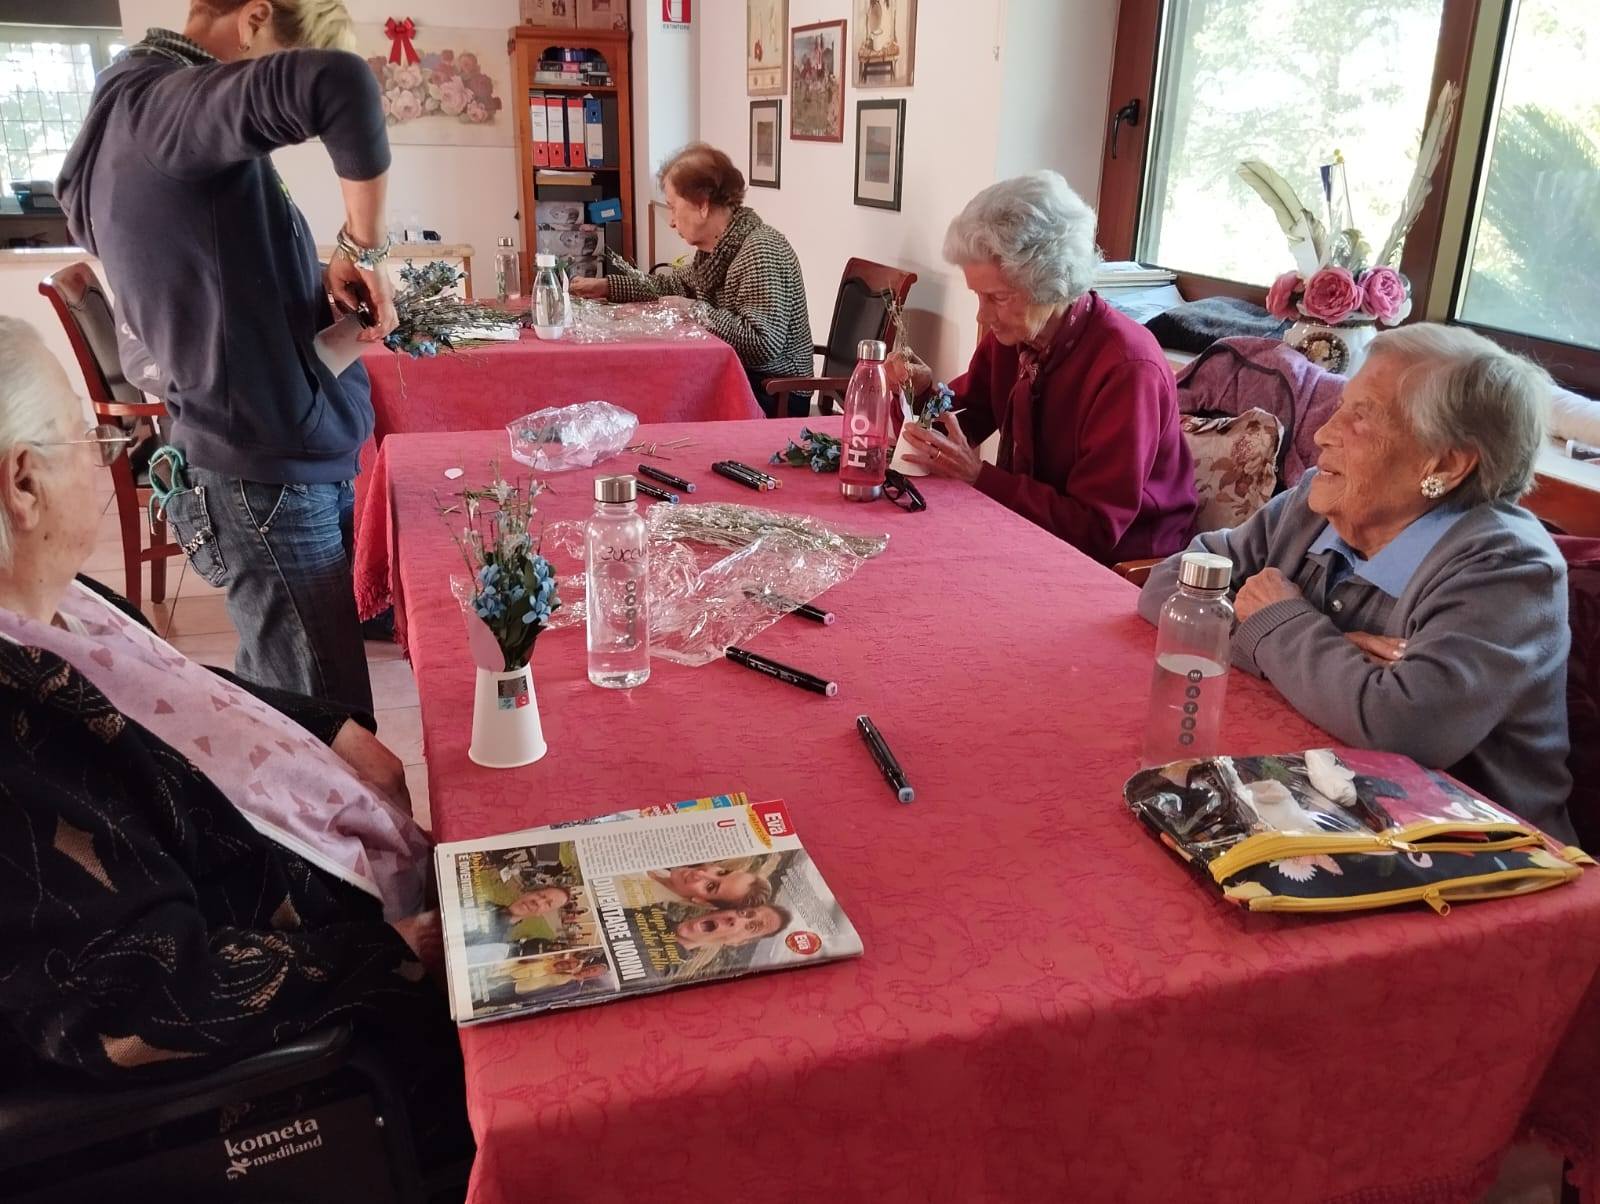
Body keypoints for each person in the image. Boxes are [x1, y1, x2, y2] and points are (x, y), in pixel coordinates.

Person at [0, 318, 461, 1123]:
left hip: (358, 904)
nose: (106, 457)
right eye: (86, 439)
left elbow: (177, 694)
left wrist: (326, 726)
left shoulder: (55, 599)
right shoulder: (17, 733)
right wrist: (398, 950)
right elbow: (146, 1001)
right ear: (22, 483)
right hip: (346, 1050)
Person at [58, 1, 399, 713]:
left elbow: (203, 272)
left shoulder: (131, 117)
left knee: (303, 707)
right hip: (266, 473)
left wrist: (315, 275)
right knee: (325, 732)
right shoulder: (163, 111)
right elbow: (341, 84)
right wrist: (363, 248)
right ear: (253, 20)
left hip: (257, 454)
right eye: (275, 60)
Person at [1138, 324, 1575, 844]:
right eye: (1342, 406)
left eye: (1361, 417)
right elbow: (1170, 584)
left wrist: (1279, 625)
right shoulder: (1316, 506)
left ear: (1446, 463)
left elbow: (1403, 726)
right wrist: (1313, 650)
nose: (1324, 433)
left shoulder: (1508, 568)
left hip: (1472, 848)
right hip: (1319, 807)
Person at [888, 171, 1197, 564]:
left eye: (998, 297)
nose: (983, 315)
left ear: (1050, 282)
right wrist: (921, 392)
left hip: (1120, 566)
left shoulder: (1127, 368)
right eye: (978, 296)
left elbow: (1095, 528)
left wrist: (979, 476)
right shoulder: (1017, 337)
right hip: (1034, 531)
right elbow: (963, 422)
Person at [571, 143, 814, 418]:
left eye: (673, 208)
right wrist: (608, 286)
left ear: (702, 205)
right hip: (743, 376)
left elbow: (761, 343)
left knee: (660, 393)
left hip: (775, 392)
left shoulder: (760, 251)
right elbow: (673, 286)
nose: (672, 221)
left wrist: (693, 311)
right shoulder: (719, 248)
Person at [643, 859, 774, 909]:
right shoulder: (662, 874)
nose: (700, 873)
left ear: (701, 900)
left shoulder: (643, 899)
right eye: (722, 872)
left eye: (710, 886)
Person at [671, 904, 792, 951]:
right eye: (745, 912)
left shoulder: (665, 971)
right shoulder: (660, 913)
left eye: (752, 927)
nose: (735, 920)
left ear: (738, 942)